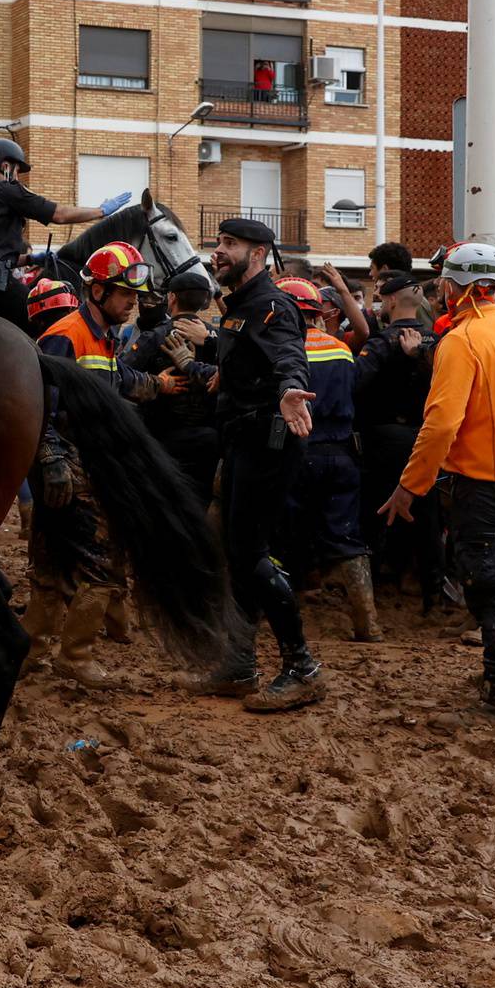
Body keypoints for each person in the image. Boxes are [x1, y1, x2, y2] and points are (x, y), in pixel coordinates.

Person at [380, 242, 495, 718]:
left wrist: (409, 486)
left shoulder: (462, 340)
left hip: (488, 481)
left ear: (457, 287)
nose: (437, 292)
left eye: (441, 284)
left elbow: (439, 425)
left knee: (490, 583)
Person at [190, 217, 323, 712]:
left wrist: (290, 390)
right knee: (238, 552)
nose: (219, 251)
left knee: (249, 553)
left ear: (260, 253)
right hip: (242, 440)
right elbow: (252, 357)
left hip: (269, 441)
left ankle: (301, 667)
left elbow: (290, 355)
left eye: (231, 244)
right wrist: (224, 369)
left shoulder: (271, 304)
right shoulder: (237, 307)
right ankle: (240, 666)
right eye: (220, 242)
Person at [24, 247, 167, 687]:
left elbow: (116, 379)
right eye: (125, 294)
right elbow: (41, 399)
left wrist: (159, 385)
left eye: (136, 296)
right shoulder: (66, 335)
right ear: (97, 288)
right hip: (68, 465)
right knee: (102, 567)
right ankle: (76, 655)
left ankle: (26, 652)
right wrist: (50, 456)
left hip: (79, 465)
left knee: (49, 567)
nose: (132, 303)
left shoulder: (103, 336)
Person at [276, 278, 379, 642]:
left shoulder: (281, 350)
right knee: (346, 536)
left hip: (295, 454)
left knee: (281, 535)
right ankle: (368, 622)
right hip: (341, 455)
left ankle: (284, 616)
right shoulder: (339, 348)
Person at [0, 137, 124, 331]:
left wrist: (31, 258)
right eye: (16, 170)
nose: (17, 177)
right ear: (6, 166)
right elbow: (59, 215)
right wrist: (101, 211)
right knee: (45, 318)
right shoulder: (5, 190)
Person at [353, 272, 445, 609]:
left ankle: (371, 594)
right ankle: (432, 595)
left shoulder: (380, 343)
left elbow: (356, 384)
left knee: (374, 514)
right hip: (424, 439)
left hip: (383, 440)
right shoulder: (437, 343)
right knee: (428, 517)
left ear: (390, 301)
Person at [124, 270, 221, 505]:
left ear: (172, 298)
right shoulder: (218, 339)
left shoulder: (154, 336)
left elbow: (123, 375)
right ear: (205, 302)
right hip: (209, 440)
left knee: (162, 504)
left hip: (160, 438)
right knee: (199, 504)